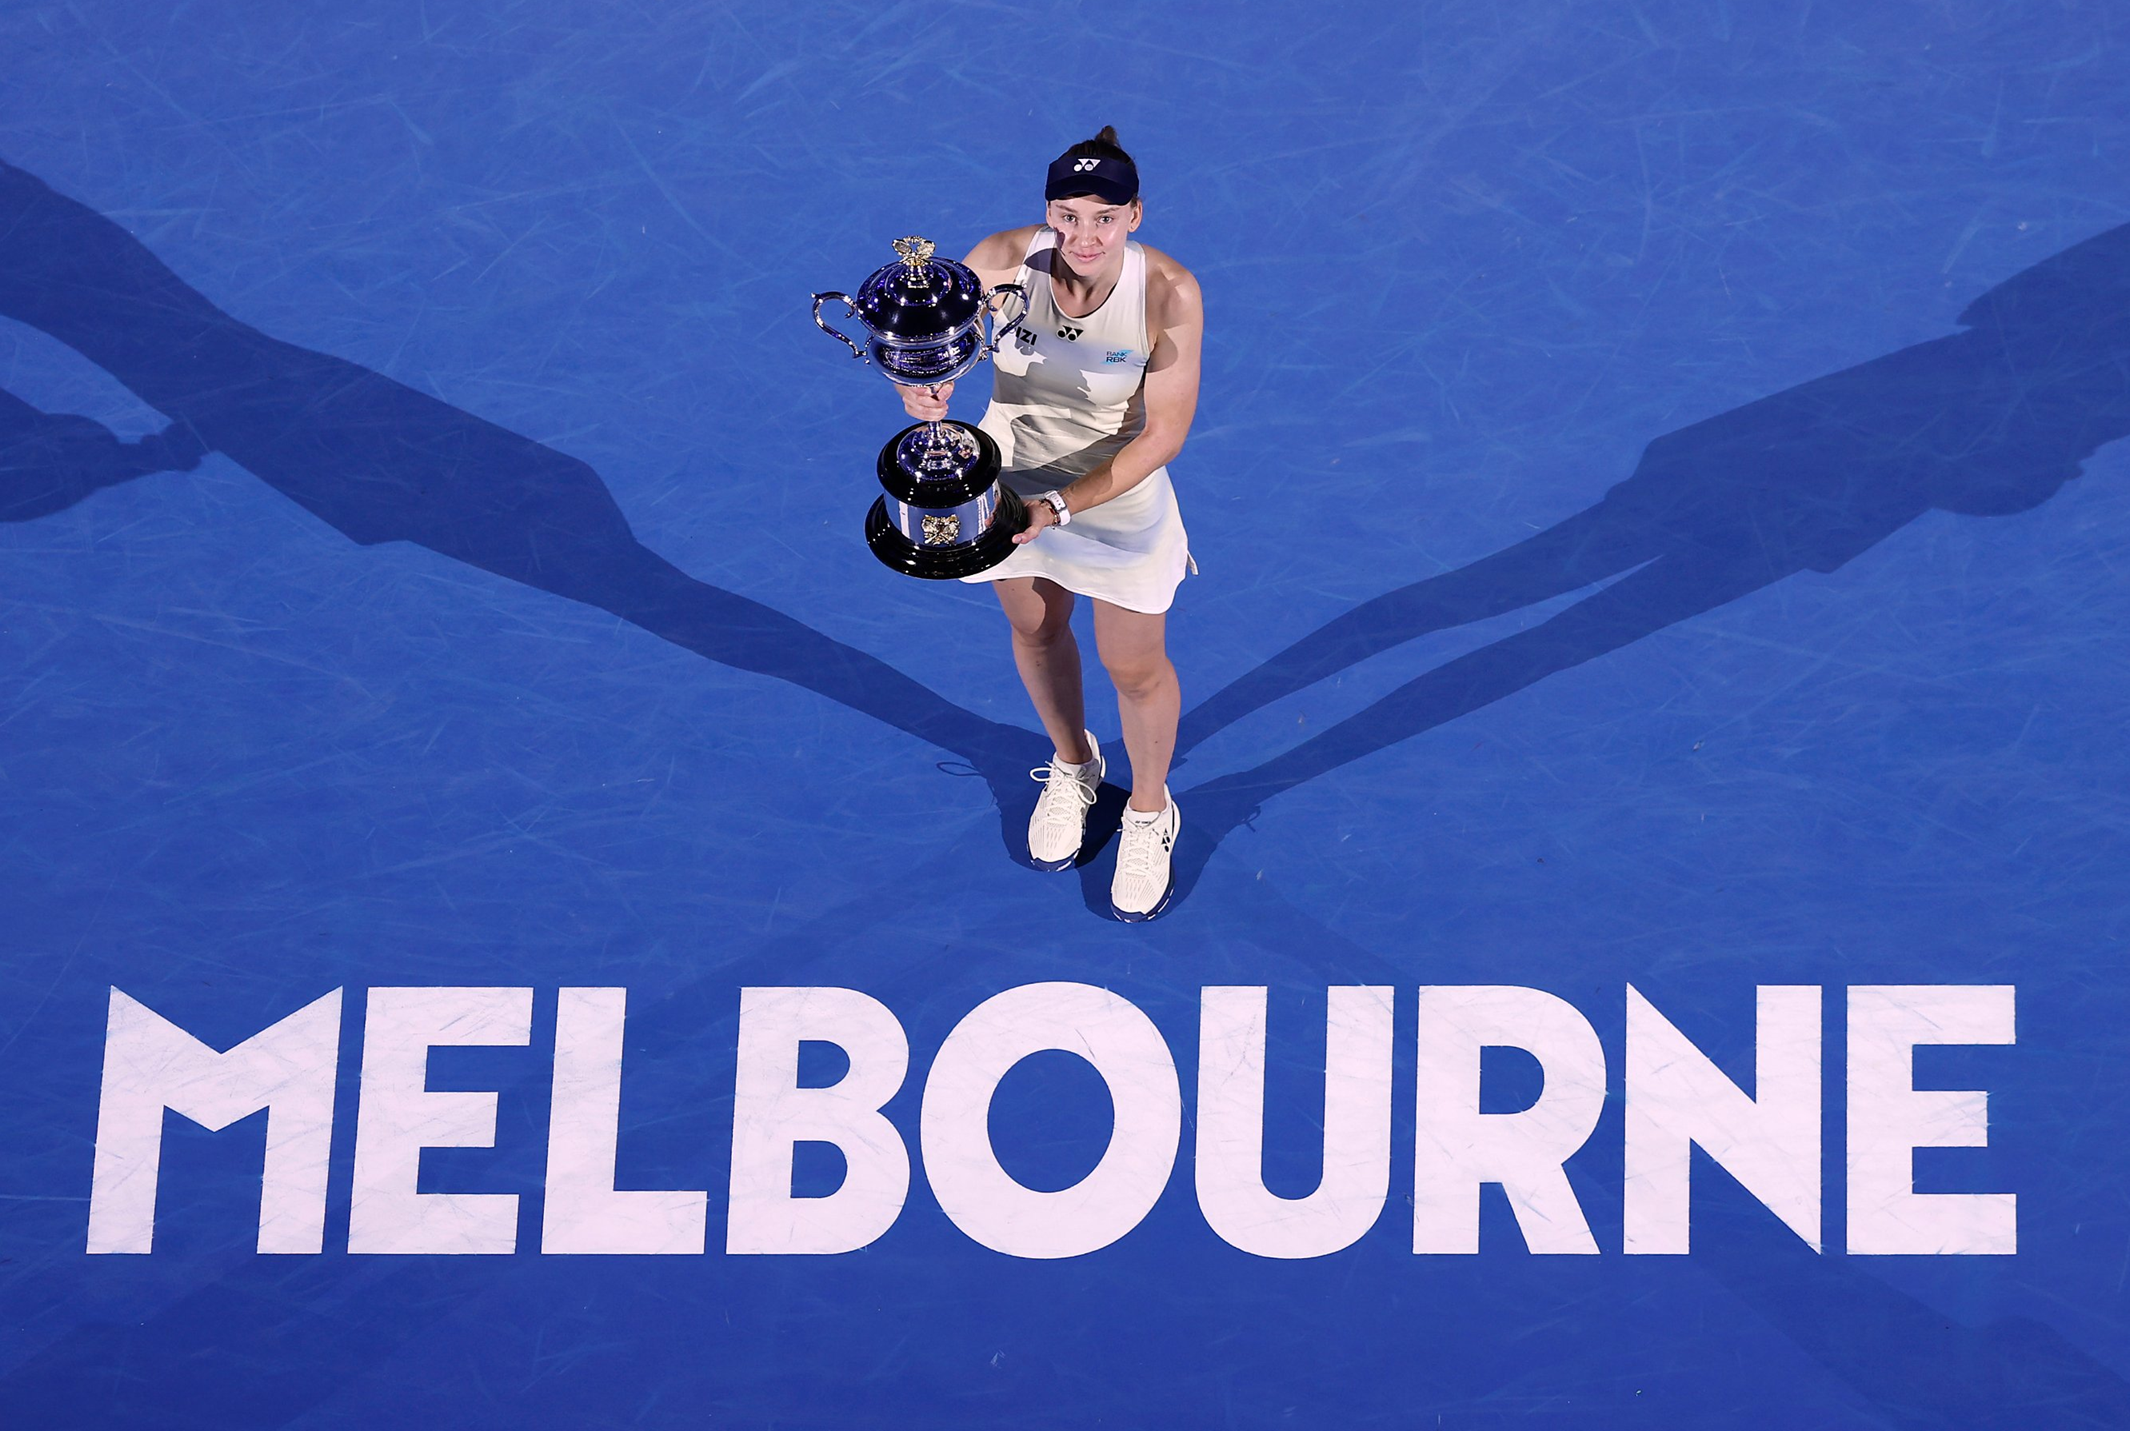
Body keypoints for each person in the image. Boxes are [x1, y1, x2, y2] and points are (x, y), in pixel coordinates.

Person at [901, 127, 1203, 920]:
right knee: (1035, 628)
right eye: (1067, 216)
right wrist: (924, 393)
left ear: (1135, 215)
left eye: (1103, 217)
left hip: (1113, 498)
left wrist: (1064, 506)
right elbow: (942, 346)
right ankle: (1074, 764)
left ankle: (1147, 810)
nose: (1083, 235)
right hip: (1010, 481)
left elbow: (1163, 434)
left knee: (1132, 665)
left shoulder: (1168, 291)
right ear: (1048, 213)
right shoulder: (1001, 256)